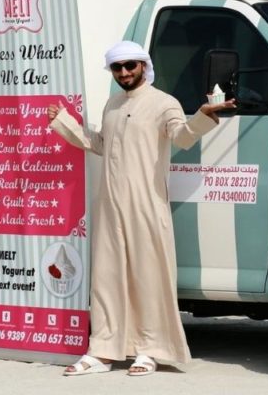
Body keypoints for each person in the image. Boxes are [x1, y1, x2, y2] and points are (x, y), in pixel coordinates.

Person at [49, 41, 235, 377]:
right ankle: (103, 350)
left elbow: (181, 136)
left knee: (149, 277)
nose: (124, 73)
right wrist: (65, 123)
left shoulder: (163, 103)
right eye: (118, 68)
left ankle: (150, 350)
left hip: (146, 205)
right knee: (106, 279)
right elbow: (101, 144)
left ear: (143, 66)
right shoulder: (113, 104)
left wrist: (202, 118)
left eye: (130, 66)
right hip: (110, 204)